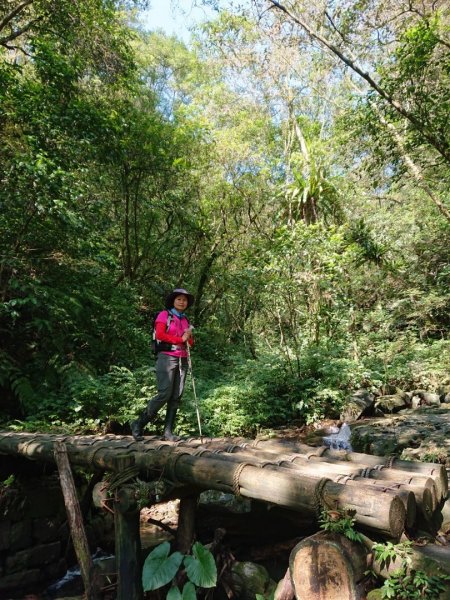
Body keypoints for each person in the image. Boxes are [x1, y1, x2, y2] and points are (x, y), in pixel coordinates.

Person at [131, 288, 194, 442]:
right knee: (164, 393)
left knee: (176, 396)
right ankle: (138, 423)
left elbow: (190, 342)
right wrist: (181, 339)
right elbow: (160, 335)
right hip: (167, 357)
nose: (182, 302)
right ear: (173, 300)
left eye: (184, 300)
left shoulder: (185, 320)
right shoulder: (164, 315)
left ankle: (168, 432)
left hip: (182, 359)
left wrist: (189, 336)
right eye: (179, 299)